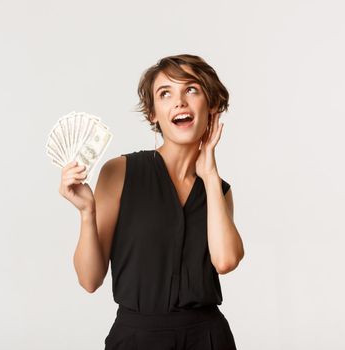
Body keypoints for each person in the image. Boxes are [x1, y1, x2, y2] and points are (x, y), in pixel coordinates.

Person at [59, 54, 245, 349]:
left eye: (191, 90)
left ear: (210, 106)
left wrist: (209, 173)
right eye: (165, 93)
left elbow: (225, 261)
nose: (179, 102)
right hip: (137, 339)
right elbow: (89, 280)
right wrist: (86, 212)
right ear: (153, 114)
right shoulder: (120, 172)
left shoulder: (218, 189)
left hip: (209, 339)